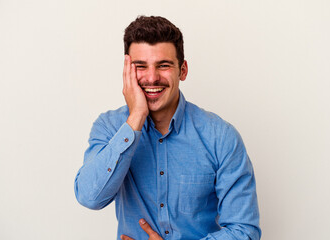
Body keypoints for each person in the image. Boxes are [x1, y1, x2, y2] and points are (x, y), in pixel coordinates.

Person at [74, 16, 261, 240]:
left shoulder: (220, 136)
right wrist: (136, 118)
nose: (152, 78)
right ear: (127, 72)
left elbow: (245, 231)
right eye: (140, 67)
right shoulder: (110, 127)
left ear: (183, 70)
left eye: (163, 66)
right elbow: (89, 197)